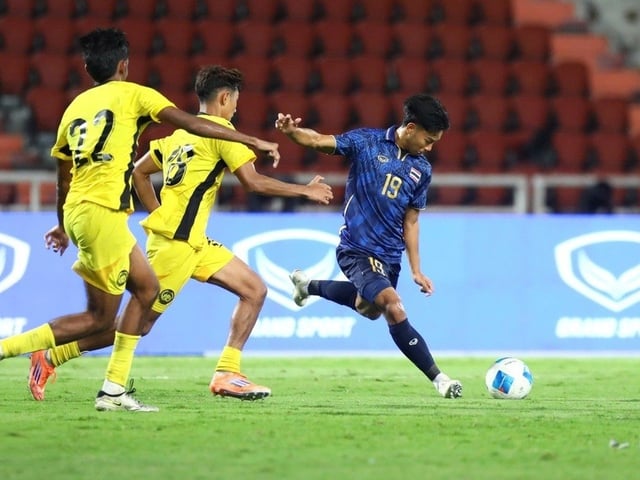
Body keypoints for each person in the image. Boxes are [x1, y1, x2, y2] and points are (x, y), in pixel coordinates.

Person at [0, 28, 281, 412]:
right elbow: (193, 123)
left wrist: (64, 224)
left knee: (142, 294)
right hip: (104, 213)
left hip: (83, 211)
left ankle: (113, 389)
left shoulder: (74, 108)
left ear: (88, 68)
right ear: (124, 65)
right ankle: (32, 356)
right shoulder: (135, 94)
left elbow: (63, 176)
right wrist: (252, 140)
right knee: (104, 319)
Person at [26, 65, 333, 404]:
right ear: (225, 98)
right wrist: (304, 191)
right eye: (235, 101)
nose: (235, 108)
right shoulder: (222, 133)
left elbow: (139, 173)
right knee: (137, 324)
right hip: (176, 246)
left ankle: (227, 373)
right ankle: (51, 356)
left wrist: (158, 213)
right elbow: (253, 182)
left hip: (195, 242)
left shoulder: (178, 135)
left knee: (254, 289)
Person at [275, 94, 463, 399]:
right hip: (357, 248)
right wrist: (293, 133)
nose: (429, 148)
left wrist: (416, 270)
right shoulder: (367, 142)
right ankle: (440, 379)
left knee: (369, 309)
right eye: (428, 140)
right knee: (393, 306)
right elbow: (319, 141)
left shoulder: (422, 169)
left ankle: (308, 286)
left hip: (390, 256)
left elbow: (411, 221)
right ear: (411, 128)